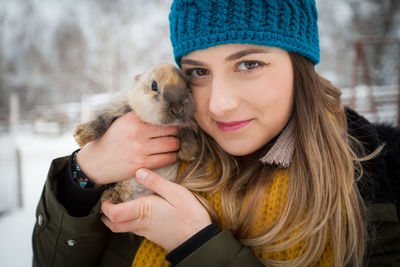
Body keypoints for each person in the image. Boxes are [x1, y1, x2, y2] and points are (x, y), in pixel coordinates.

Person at [32, 0, 400, 266]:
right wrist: (82, 178)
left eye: (249, 64)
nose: (219, 104)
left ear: (299, 65)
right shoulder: (158, 152)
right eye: (198, 72)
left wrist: (196, 246)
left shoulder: (383, 186)